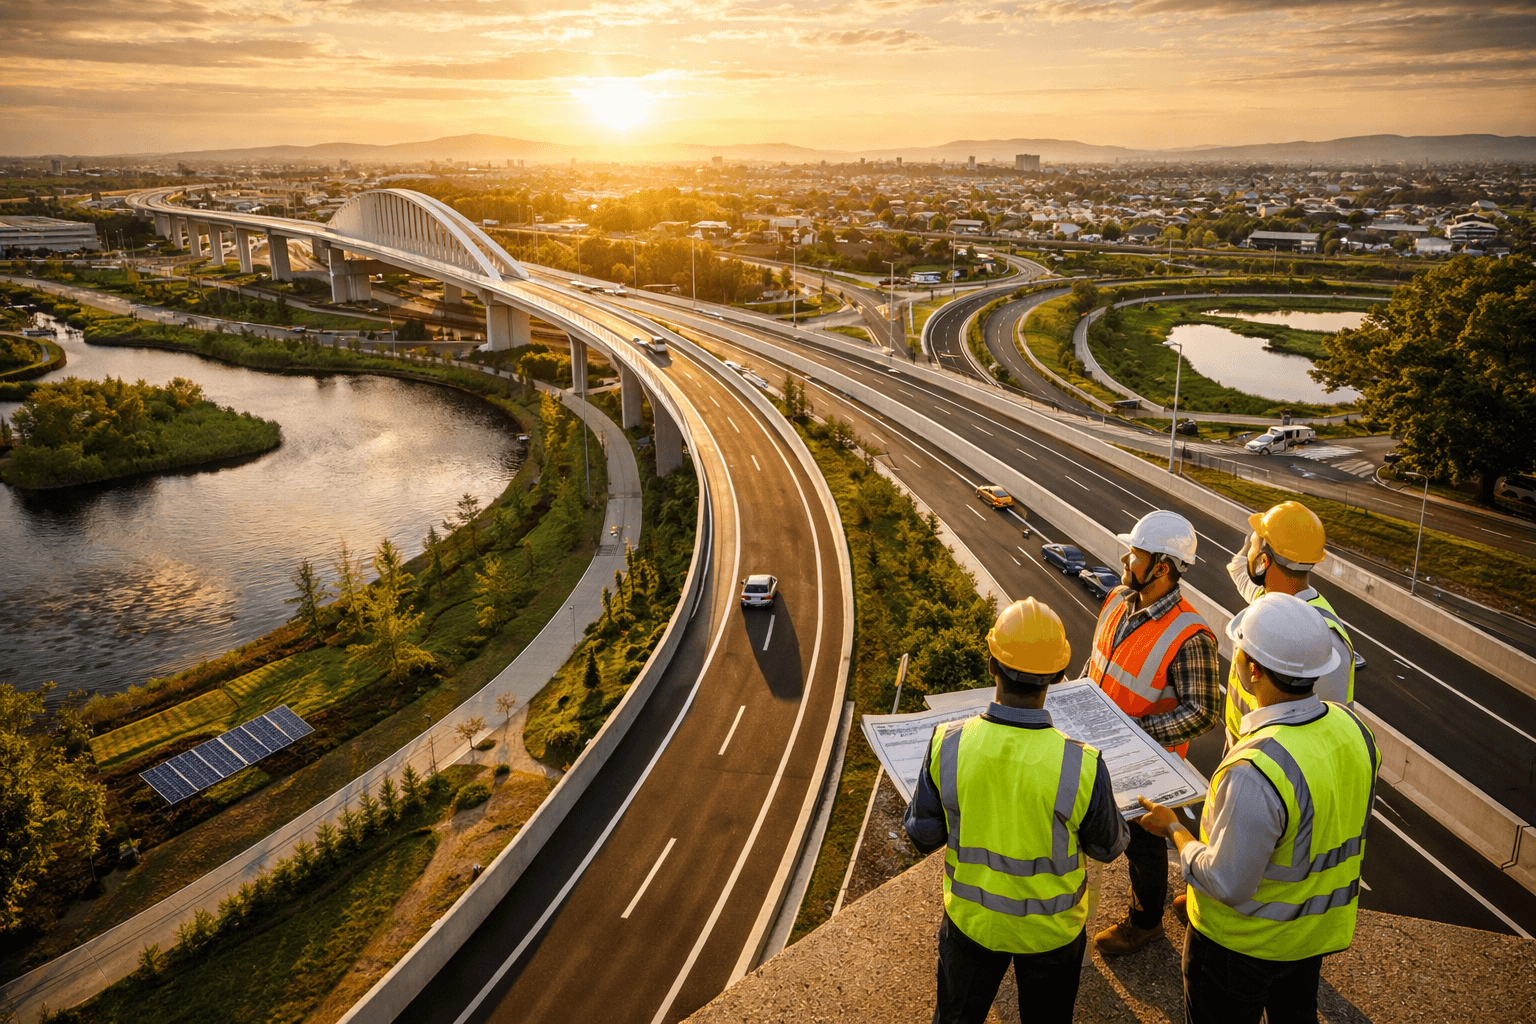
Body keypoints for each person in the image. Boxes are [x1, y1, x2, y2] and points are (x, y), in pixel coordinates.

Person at [1135, 592, 1381, 1024]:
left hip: (1240, 948)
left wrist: (1175, 829)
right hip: (1310, 938)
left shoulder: (1257, 769)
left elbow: (1227, 883)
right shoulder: (1354, 729)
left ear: (1252, 671)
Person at [904, 598, 1129, 1024]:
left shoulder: (946, 744)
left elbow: (922, 836)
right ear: (1059, 676)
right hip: (1052, 934)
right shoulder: (1082, 764)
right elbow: (1108, 846)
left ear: (992, 665)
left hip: (972, 924)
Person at [1085, 510, 1221, 957]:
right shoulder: (1117, 600)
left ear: (1160, 567)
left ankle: (1145, 924)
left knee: (1143, 846)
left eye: (1136, 553)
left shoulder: (1190, 635)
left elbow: (1202, 713)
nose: (1126, 558)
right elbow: (1098, 665)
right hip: (1099, 749)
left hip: (1147, 766)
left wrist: (1133, 732)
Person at [1224, 500, 1355, 751]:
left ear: (1264, 560)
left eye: (1254, 543)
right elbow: (1243, 577)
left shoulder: (1320, 637)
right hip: (1242, 747)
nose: (1250, 547)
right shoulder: (1270, 602)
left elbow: (1323, 731)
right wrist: (1245, 557)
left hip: (1270, 763)